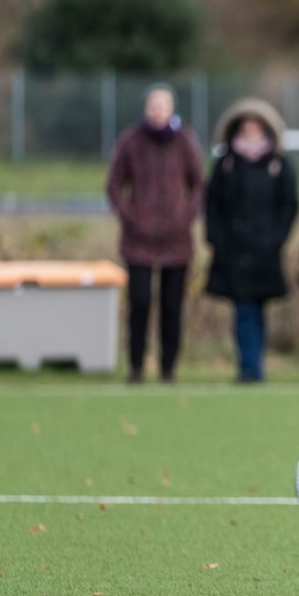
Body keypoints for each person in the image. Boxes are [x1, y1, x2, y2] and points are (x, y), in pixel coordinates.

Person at [106, 84, 204, 384]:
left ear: (171, 108)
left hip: (177, 240)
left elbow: (199, 184)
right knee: (140, 303)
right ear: (146, 109)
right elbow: (114, 186)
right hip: (139, 240)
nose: (157, 112)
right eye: (153, 106)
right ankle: (136, 367)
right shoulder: (131, 141)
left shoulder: (185, 140)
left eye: (163, 106)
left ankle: (168, 369)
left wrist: (185, 216)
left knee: (172, 307)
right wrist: (131, 217)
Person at [204, 98, 298, 383]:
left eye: (256, 127)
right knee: (243, 309)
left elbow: (289, 205)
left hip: (265, 252)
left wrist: (275, 239)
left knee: (256, 309)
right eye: (245, 127)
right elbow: (212, 205)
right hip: (233, 250)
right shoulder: (225, 164)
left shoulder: (279, 165)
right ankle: (249, 368)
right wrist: (216, 239)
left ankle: (253, 365)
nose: (250, 132)